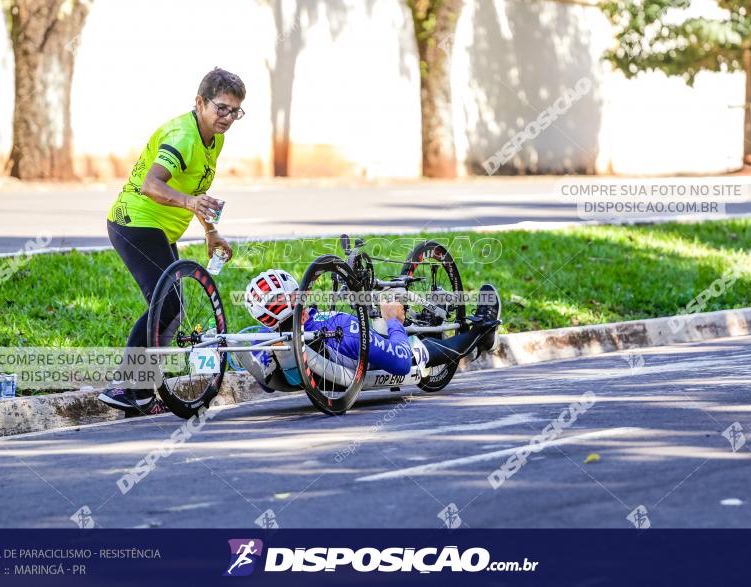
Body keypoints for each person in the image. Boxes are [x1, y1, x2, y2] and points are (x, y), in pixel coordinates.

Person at [99, 67, 246, 416]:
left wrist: (210, 231)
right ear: (200, 102)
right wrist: (189, 203)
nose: (227, 117)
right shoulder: (182, 136)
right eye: (221, 108)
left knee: (170, 310)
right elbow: (152, 184)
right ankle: (125, 386)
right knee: (167, 305)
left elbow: (196, 190)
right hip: (135, 222)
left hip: (161, 229)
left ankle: (141, 392)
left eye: (235, 111)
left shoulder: (214, 137)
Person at [242, 269, 501, 388]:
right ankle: (483, 330)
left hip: (339, 355)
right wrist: (393, 321)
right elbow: (400, 363)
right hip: (382, 351)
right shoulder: (342, 327)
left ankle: (423, 319)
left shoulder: (261, 341)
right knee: (419, 350)